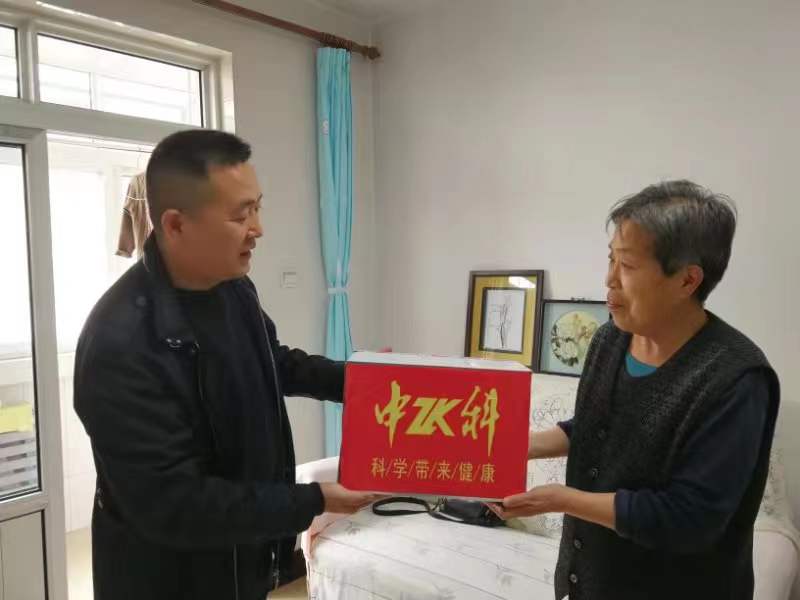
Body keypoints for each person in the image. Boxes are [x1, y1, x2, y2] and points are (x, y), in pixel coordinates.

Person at [74, 129, 378, 600]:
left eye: (258, 207)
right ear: (175, 225)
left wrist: (373, 384)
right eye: (241, 214)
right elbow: (174, 504)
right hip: (167, 581)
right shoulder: (120, 342)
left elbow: (273, 363)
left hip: (241, 562)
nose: (258, 228)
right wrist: (314, 499)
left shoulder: (233, 288)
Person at [491, 180, 779, 600]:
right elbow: (596, 427)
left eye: (626, 265)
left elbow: (689, 518)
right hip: (591, 580)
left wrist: (562, 500)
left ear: (687, 280)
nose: (609, 280)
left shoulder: (737, 379)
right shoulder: (610, 338)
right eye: (610, 259)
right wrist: (523, 446)